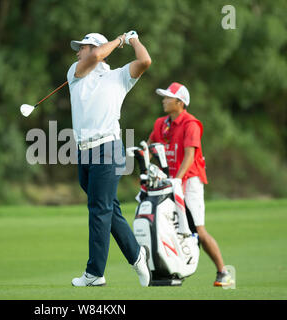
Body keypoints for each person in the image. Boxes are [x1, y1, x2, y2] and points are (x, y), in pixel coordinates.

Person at [67, 31, 152, 287]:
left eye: (81, 47)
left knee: (99, 211)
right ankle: (137, 255)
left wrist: (132, 40)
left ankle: (95, 273)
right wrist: (119, 40)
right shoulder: (76, 73)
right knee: (107, 208)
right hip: (84, 151)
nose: (78, 52)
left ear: (93, 47)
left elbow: (145, 61)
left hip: (108, 148)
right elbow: (95, 56)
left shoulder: (119, 76)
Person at [147, 82, 234, 287]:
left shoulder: (190, 124)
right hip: (169, 182)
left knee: (198, 231)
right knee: (166, 228)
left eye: (168, 97)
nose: (164, 100)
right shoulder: (161, 123)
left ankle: (223, 273)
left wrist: (178, 178)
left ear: (180, 102)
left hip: (190, 181)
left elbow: (190, 155)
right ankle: (170, 271)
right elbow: (151, 146)